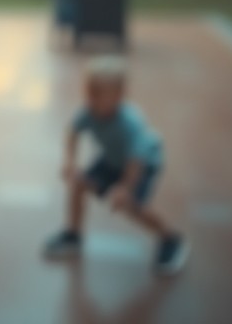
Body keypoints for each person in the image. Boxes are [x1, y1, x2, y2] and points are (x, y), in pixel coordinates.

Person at [43, 56, 188, 275]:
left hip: (143, 164)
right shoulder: (88, 111)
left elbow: (136, 159)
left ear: (119, 96)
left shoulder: (130, 123)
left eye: (97, 93)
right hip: (113, 159)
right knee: (79, 183)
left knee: (133, 207)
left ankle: (170, 239)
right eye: (89, 90)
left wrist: (125, 188)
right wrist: (70, 162)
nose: (90, 97)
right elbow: (72, 132)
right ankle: (73, 236)